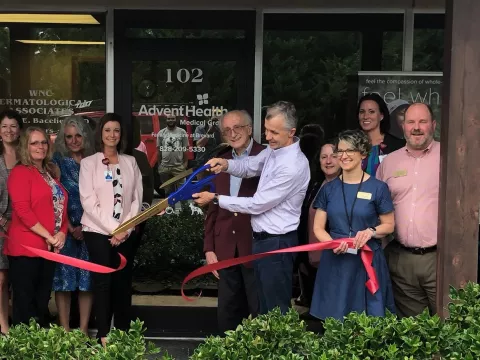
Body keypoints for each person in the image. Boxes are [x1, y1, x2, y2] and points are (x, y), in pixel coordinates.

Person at [193, 101, 310, 315]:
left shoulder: (292, 165)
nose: (268, 137)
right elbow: (250, 165)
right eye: (266, 130)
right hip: (263, 241)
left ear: (291, 132)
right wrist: (226, 164)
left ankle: (279, 348)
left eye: (274, 132)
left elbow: (257, 204)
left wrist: (216, 198)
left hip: (277, 243)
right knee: (264, 307)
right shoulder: (275, 150)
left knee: (275, 311)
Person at [309, 129, 396, 322]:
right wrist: (332, 244)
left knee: (368, 324)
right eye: (340, 151)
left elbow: (389, 225)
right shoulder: (328, 189)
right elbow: (318, 228)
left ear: (363, 153)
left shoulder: (378, 188)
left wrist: (371, 231)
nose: (344, 156)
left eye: (350, 150)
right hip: (336, 261)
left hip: (366, 260)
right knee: (334, 324)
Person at [79, 113, 142, 346]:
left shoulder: (130, 162)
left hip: (126, 232)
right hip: (97, 231)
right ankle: (104, 335)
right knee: (103, 283)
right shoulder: (89, 163)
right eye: (107, 130)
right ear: (101, 134)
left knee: (123, 283)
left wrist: (125, 229)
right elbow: (88, 201)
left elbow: (137, 199)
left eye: (116, 130)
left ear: (121, 135)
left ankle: (124, 334)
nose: (112, 135)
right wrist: (114, 229)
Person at [376, 102, 439, 318]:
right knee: (413, 334)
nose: (416, 127)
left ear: (433, 125)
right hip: (401, 259)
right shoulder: (389, 163)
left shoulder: (450, 158)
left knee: (451, 327)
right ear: (403, 127)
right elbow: (376, 207)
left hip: (440, 258)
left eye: (423, 121)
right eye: (411, 122)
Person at [203, 110, 264, 332]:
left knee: (258, 311)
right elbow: (213, 207)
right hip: (225, 246)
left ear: (249, 129)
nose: (232, 133)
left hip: (255, 245)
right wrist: (209, 248)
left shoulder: (266, 157)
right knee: (228, 313)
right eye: (227, 130)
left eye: (237, 127)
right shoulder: (221, 160)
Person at [5, 126, 68, 327]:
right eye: (34, 143)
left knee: (41, 305)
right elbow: (23, 211)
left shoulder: (50, 172)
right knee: (26, 307)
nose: (40, 146)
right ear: (25, 146)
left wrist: (62, 233)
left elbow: (60, 207)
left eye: (43, 142)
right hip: (26, 249)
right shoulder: (20, 172)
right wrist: (49, 237)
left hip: (48, 249)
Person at [52, 115, 95, 335]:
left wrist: (85, 227)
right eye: (69, 136)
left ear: (85, 137)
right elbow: (55, 197)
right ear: (63, 139)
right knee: (64, 280)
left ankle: (84, 330)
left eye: (78, 135)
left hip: (91, 229)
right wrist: (69, 227)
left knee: (87, 281)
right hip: (65, 231)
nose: (74, 140)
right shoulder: (57, 162)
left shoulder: (95, 160)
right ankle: (65, 330)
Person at [296, 140, 341, 308]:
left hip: (335, 260)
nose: (328, 161)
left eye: (333, 156)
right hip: (312, 261)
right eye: (324, 157)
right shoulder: (315, 186)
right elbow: (304, 222)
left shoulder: (347, 187)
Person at [0, 109, 23, 334]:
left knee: (20, 277)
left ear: (20, 131)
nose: (8, 130)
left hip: (24, 227)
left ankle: (20, 321)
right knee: (1, 278)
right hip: (0, 227)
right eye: (4, 126)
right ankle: (4, 324)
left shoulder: (26, 158)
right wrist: (2, 221)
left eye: (13, 126)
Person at [357, 93, 405, 176]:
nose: (365, 116)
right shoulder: (352, 145)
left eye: (371, 112)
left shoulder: (398, 146)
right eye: (362, 112)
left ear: (381, 116)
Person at [157, 115, 189, 195]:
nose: (170, 120)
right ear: (166, 120)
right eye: (169, 118)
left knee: (183, 190)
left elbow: (185, 149)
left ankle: (185, 207)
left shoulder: (182, 132)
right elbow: (158, 151)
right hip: (165, 167)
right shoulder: (161, 133)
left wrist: (185, 164)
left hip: (179, 167)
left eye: (172, 118)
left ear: (176, 120)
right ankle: (170, 207)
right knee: (168, 192)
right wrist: (159, 165)